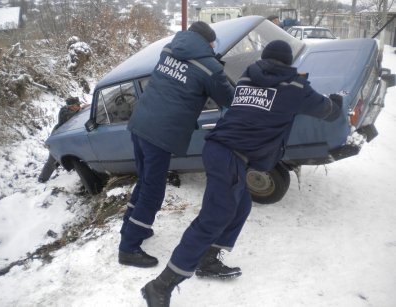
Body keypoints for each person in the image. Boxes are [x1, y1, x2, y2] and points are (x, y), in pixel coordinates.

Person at [141, 40, 343, 307]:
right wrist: (338, 101)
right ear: (288, 62)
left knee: (241, 205)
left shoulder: (248, 76)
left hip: (222, 150)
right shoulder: (295, 87)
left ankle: (207, 259)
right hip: (228, 155)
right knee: (214, 217)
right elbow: (327, 111)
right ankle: (160, 285)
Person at [118, 21, 235, 268]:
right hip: (161, 133)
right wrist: (219, 69)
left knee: (145, 180)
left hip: (140, 123)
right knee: (153, 189)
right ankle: (128, 247)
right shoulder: (209, 66)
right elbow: (228, 98)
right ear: (208, 42)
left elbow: (183, 78)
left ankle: (131, 226)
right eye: (213, 42)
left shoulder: (169, 50)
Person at [38, 97, 83, 183]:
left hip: (67, 137)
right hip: (58, 138)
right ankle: (42, 178)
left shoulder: (73, 111)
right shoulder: (65, 113)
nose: (79, 106)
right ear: (71, 106)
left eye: (79, 104)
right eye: (77, 105)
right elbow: (72, 116)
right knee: (53, 159)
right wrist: (81, 109)